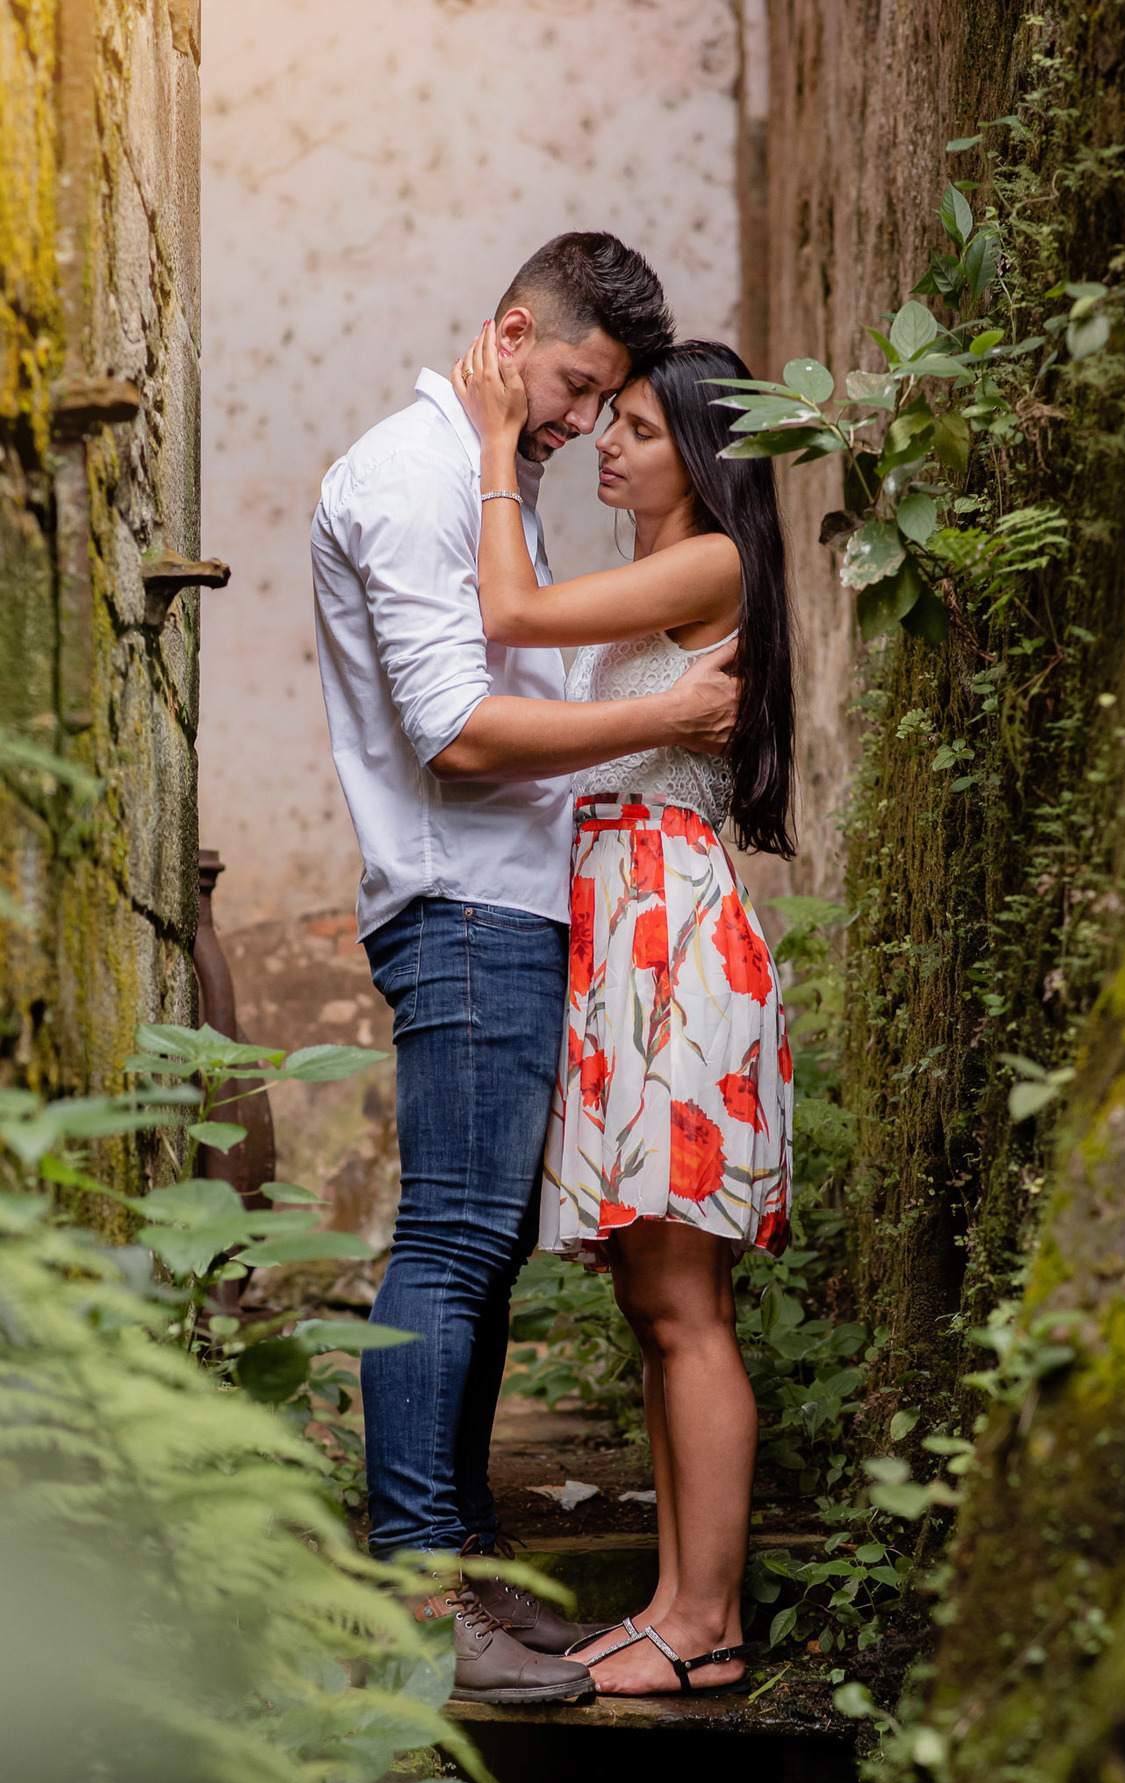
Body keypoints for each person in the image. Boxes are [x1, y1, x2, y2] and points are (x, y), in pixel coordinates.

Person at [310, 233, 742, 1704]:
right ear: (510, 338)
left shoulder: (490, 481)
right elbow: (459, 730)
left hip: (515, 909)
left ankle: (467, 1571)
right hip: (466, 907)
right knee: (448, 1244)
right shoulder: (419, 475)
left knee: (477, 1251)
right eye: (573, 386)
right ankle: (423, 1602)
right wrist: (662, 715)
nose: (578, 421)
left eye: (607, 403)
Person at [452, 322, 795, 1698]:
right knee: (658, 1304)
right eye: (614, 419)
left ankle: (706, 1621)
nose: (610, 440)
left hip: (674, 942)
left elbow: (509, 615)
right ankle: (673, 1609)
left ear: (702, 456)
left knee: (684, 1306)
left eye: (642, 428)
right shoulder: (663, 579)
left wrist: (496, 444)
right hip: (632, 943)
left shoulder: (709, 561)